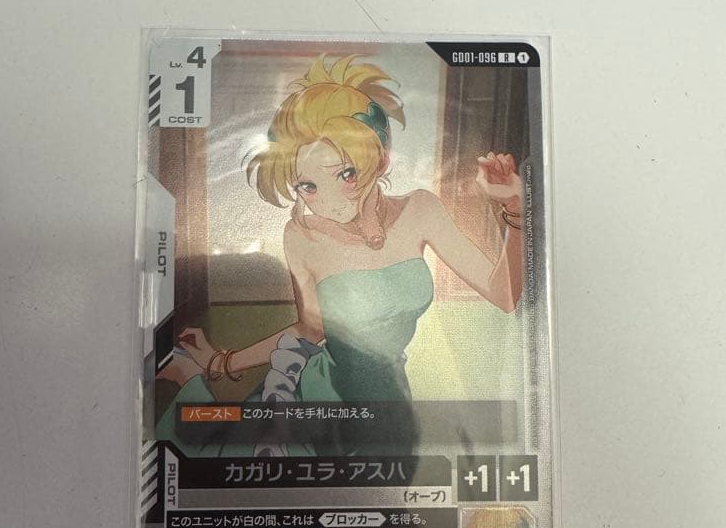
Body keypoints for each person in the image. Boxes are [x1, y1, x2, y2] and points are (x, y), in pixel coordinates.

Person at [156, 54, 522, 456]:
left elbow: (504, 296)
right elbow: (310, 330)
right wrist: (221, 363)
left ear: (380, 159)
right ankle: (192, 379)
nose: (328, 201)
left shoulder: (421, 210)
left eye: (346, 174)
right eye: (308, 186)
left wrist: (515, 210)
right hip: (318, 394)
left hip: (388, 398)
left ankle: (191, 379)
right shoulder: (302, 235)